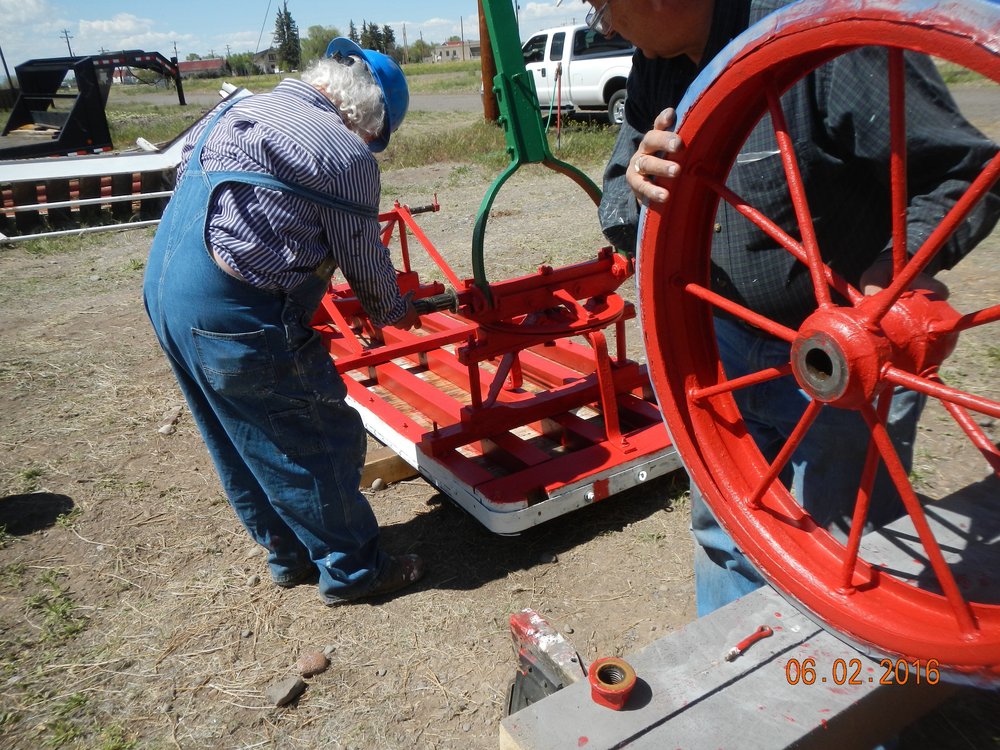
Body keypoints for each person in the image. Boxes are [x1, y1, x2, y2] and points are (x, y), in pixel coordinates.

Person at [586, 0, 1000, 615]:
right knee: (724, 532)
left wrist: (889, 275)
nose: (607, 28)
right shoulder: (659, 67)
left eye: (604, 7)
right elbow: (619, 197)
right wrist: (637, 192)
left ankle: (835, 699)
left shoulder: (819, 43)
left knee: (846, 565)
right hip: (715, 353)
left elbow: (968, 172)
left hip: (844, 366)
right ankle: (733, 687)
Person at [142, 38, 426, 606]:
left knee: (238, 433)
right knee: (316, 435)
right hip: (235, 314)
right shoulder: (344, 152)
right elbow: (366, 265)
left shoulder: (236, 109)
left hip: (167, 287)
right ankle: (354, 572)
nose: (370, 147)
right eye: (376, 139)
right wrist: (398, 312)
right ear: (366, 120)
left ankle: (288, 553)